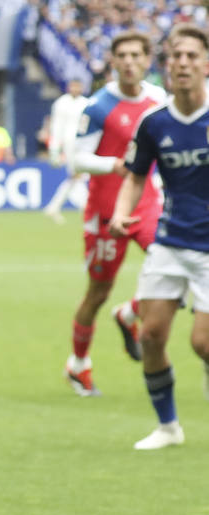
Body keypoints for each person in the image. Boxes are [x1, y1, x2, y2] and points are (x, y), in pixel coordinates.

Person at [110, 24, 209, 450]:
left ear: (206, 64)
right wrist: (120, 213)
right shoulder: (155, 122)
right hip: (170, 242)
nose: (182, 63)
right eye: (175, 57)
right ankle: (168, 427)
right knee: (149, 336)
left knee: (202, 342)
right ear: (167, 66)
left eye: (190, 56)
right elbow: (135, 177)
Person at [65, 32, 165, 396]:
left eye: (136, 55)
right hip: (105, 213)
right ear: (113, 61)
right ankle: (78, 365)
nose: (129, 61)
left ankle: (129, 313)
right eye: (122, 55)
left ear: (147, 59)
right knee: (97, 292)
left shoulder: (158, 101)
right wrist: (115, 164)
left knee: (175, 265)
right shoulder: (98, 106)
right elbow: (77, 158)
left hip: (146, 204)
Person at [42, 78, 90, 223]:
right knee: (77, 175)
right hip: (69, 144)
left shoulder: (86, 103)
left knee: (77, 176)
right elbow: (57, 127)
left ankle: (53, 207)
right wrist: (55, 148)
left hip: (83, 144)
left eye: (78, 86)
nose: (75, 89)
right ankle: (87, 207)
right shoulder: (61, 103)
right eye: (73, 86)